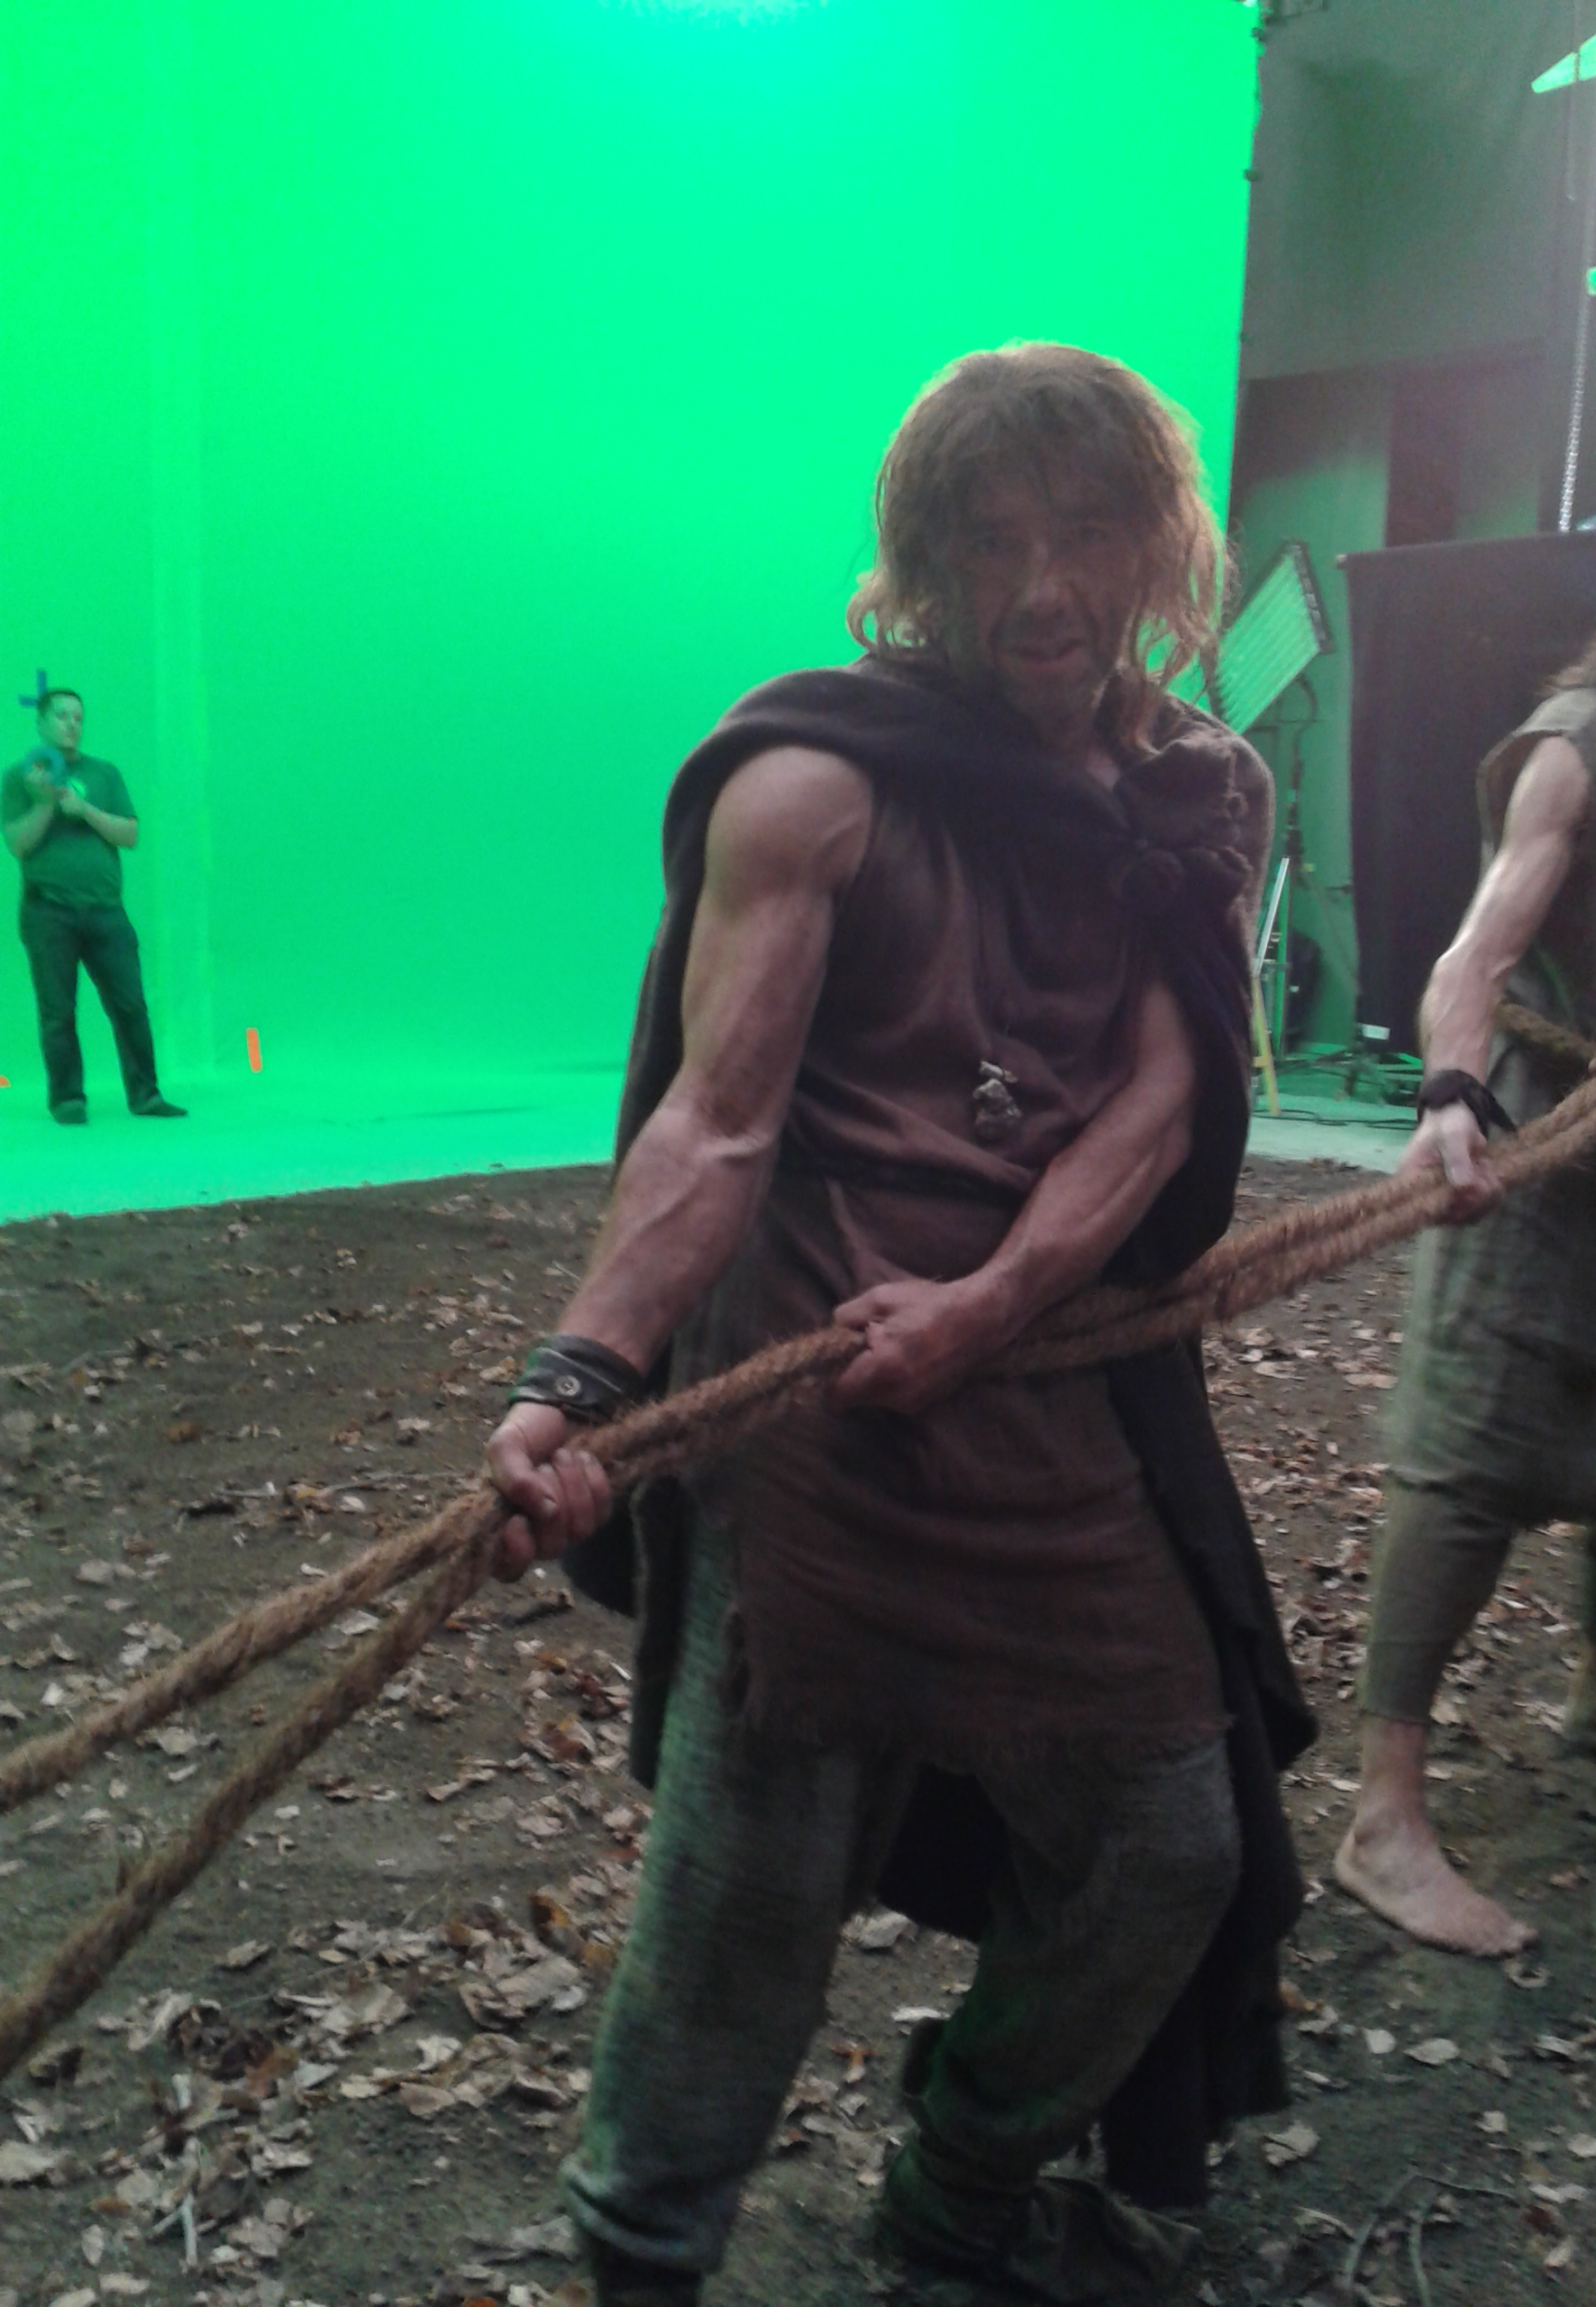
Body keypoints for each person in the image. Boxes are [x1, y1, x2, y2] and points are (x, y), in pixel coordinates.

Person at [486, 344, 1312, 2307]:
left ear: (1157, 544)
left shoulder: (1201, 788)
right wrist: (581, 1375)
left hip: (1048, 1395)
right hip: (818, 1414)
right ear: (926, 562)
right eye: (992, 540)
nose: (1042, 586)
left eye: (1084, 531)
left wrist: (992, 1303)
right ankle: (642, 2256)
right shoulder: (817, 778)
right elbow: (718, 1121)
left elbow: (1162, 1095)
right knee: (750, 1891)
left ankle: (961, 2181)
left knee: (1167, 1845)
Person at [1336, 460, 1596, 1960]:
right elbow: (1476, 954)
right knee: (1471, 1449)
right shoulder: (1583, 745)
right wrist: (1449, 1099)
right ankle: (1382, 1814)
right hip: (1531, 1131)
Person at [2, 688, 186, 1124]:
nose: (72, 724)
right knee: (58, 1011)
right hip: (48, 912)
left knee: (130, 1004)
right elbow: (18, 845)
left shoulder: (104, 774)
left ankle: (146, 1095)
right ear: (41, 723)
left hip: (106, 911)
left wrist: (84, 809)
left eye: (78, 717)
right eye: (62, 715)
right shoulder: (18, 777)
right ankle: (68, 1100)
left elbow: (130, 834)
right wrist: (45, 804)